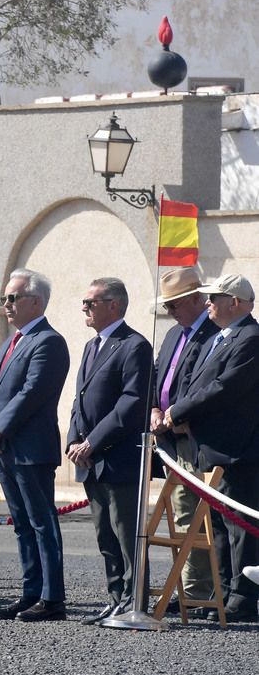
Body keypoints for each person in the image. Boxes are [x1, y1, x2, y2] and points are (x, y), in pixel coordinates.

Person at [0, 269, 69, 621]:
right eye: (4, 299)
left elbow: (32, 393)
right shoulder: (10, 342)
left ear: (36, 301)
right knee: (21, 523)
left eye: (12, 298)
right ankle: (31, 591)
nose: (6, 305)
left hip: (30, 448)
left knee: (42, 522)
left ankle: (52, 598)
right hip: (5, 446)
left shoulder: (48, 341)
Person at [166, 274, 259, 622]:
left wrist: (180, 411)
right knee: (217, 525)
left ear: (234, 302)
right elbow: (193, 382)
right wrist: (179, 412)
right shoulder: (220, 338)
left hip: (238, 449)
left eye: (213, 298)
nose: (207, 303)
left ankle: (245, 597)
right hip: (211, 446)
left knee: (240, 525)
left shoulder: (250, 338)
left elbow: (224, 388)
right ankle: (222, 590)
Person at [67, 277, 153, 624]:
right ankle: (115, 597)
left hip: (117, 457)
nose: (84, 308)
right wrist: (75, 440)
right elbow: (80, 400)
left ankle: (135, 602)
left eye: (91, 302)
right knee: (105, 535)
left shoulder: (134, 346)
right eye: (84, 302)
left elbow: (131, 403)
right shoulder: (92, 346)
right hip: (91, 458)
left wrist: (94, 442)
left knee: (125, 532)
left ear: (113, 305)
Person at [149, 266, 221, 614]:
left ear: (197, 299)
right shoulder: (172, 336)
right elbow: (157, 377)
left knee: (205, 521)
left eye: (175, 304)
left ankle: (206, 591)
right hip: (170, 442)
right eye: (167, 305)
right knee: (182, 517)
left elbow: (207, 389)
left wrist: (176, 415)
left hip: (198, 440)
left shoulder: (213, 335)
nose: (170, 311)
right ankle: (194, 589)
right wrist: (153, 409)